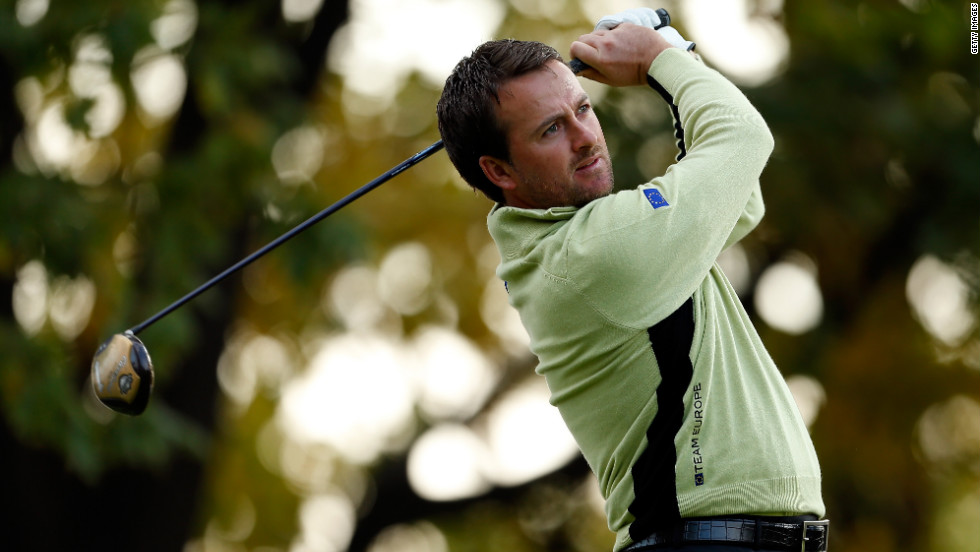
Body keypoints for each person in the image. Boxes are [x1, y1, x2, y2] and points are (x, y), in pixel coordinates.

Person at [437, 8, 828, 552]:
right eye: (552, 128)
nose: (585, 139)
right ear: (499, 171)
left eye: (582, 109)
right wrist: (658, 59)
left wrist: (675, 56)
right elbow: (740, 139)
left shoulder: (585, 242)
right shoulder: (590, 253)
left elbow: (739, 192)